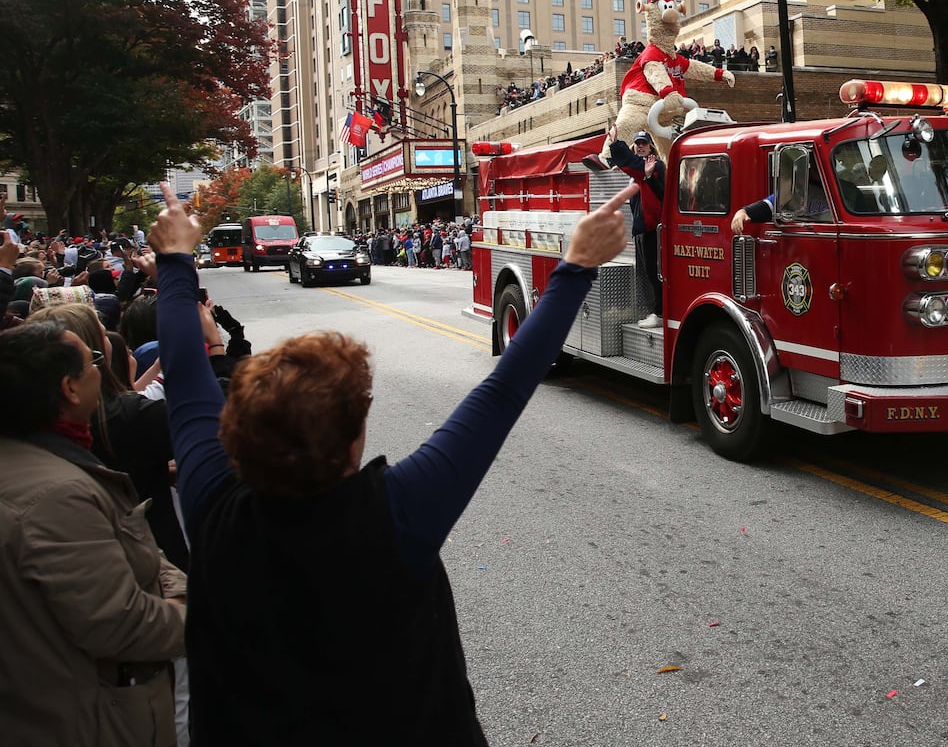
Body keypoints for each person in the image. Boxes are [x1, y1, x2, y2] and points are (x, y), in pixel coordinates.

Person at [148, 179, 631, 744]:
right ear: (356, 431)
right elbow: (503, 391)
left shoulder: (211, 504)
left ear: (233, 432)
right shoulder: (396, 514)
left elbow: (181, 368)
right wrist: (576, 265)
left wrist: (176, 260)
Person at [0, 320, 187, 746]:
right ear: (69, 389)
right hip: (90, 719)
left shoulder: (51, 464)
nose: (100, 369)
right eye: (93, 362)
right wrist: (191, 608)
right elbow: (122, 623)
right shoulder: (57, 496)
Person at [609, 130, 666, 328]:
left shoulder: (654, 165)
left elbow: (661, 193)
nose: (640, 146)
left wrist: (616, 144)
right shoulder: (640, 170)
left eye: (644, 143)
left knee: (654, 272)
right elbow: (632, 168)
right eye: (637, 144)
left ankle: (659, 313)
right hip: (642, 230)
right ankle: (655, 311)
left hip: (653, 230)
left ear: (651, 147)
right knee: (647, 273)